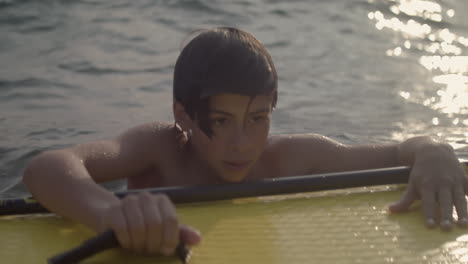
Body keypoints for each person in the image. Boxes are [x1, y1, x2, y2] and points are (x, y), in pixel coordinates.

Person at [23, 27, 467, 257]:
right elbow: (46, 166)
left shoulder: (289, 158)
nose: (242, 143)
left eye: (258, 119)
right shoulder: (159, 150)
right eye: (221, 121)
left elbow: (398, 152)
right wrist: (109, 213)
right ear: (183, 114)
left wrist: (433, 149)